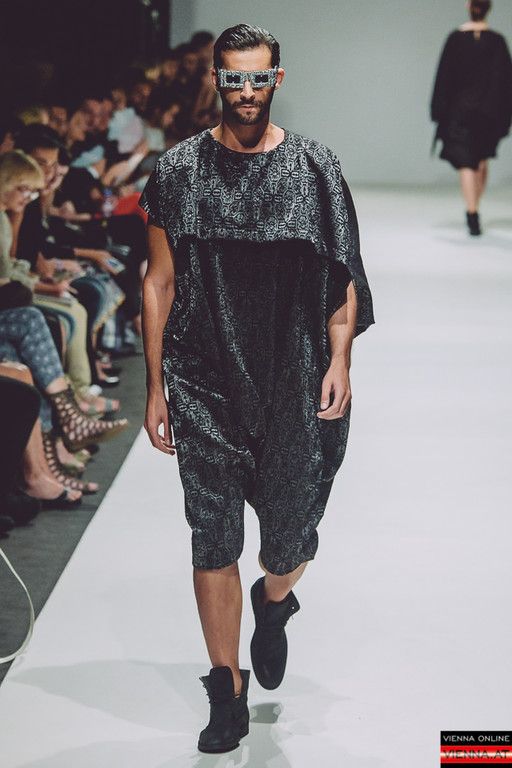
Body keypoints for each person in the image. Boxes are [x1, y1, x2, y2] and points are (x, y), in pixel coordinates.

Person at [139, 24, 374, 754]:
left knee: (291, 537)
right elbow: (158, 281)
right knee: (211, 533)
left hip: (294, 372)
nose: (245, 91)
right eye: (233, 78)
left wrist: (341, 361)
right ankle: (226, 689)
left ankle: (273, 603)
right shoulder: (179, 170)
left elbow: (342, 277)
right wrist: (155, 385)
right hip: (202, 374)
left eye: (257, 77)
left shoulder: (314, 168)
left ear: (277, 79)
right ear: (216, 79)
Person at [430, 0, 512, 235]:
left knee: (467, 162)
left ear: (469, 6)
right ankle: (474, 208)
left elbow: (443, 77)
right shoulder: (497, 42)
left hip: (460, 112)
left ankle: (472, 212)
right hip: (489, 113)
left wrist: (438, 111)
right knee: (481, 161)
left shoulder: (455, 39)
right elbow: (506, 82)